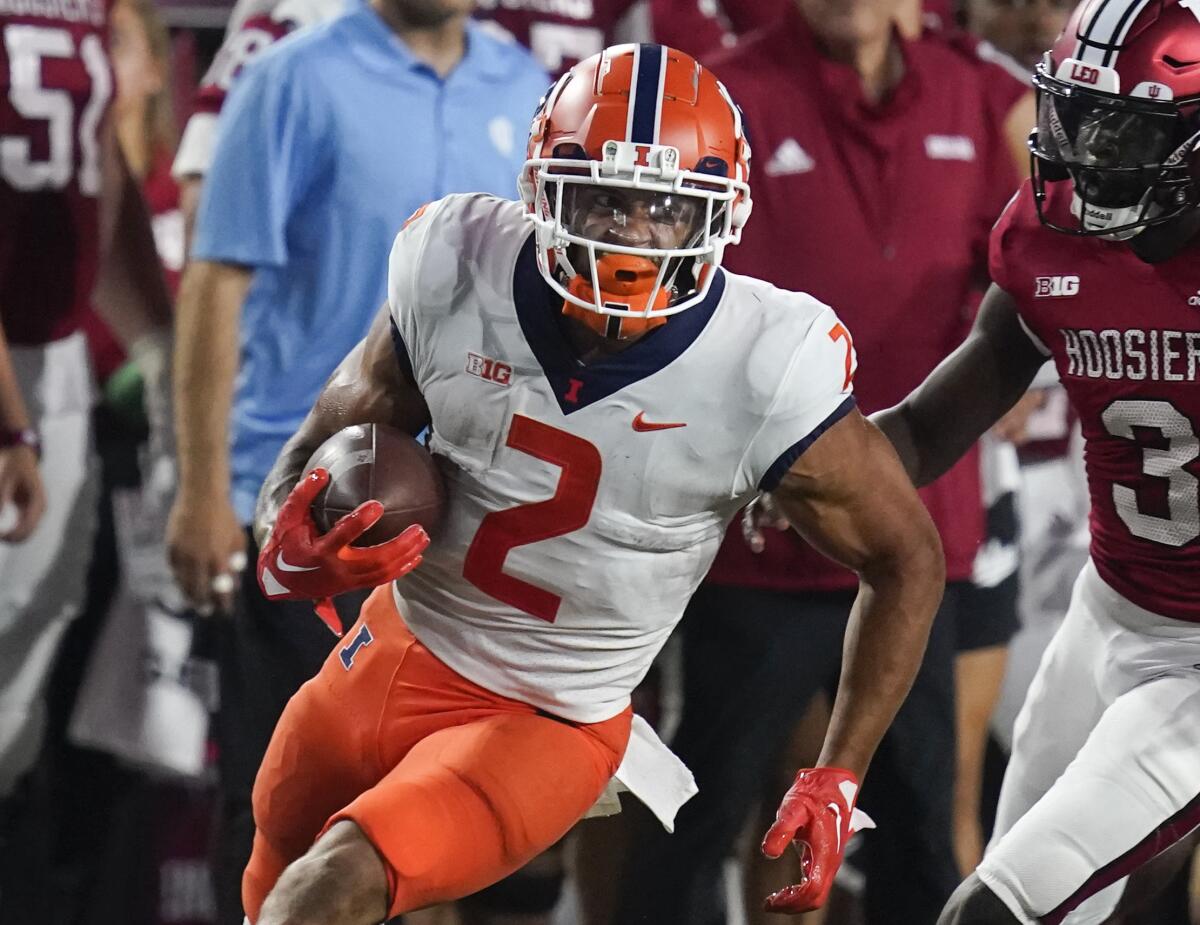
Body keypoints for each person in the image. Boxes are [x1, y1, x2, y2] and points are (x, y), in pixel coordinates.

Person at [244, 42, 945, 925]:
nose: (632, 236)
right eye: (607, 201)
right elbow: (318, 443)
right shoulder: (458, 262)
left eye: (666, 210)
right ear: (544, 191)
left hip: (551, 715)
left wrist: (838, 771)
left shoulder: (764, 365)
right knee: (270, 877)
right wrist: (291, 540)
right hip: (391, 648)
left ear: (721, 217)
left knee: (326, 889)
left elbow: (908, 557)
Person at [615, 1, 1028, 922]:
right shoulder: (727, 92)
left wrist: (1018, 367)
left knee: (922, 818)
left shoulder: (974, 94)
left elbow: (1012, 277)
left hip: (912, 533)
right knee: (697, 805)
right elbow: (674, 294)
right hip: (762, 531)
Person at [165, 4, 547, 922]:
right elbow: (217, 278)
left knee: (433, 815)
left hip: (463, 508)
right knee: (286, 804)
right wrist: (201, 487)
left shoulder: (524, 82)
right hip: (313, 491)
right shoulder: (292, 76)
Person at [871, 0, 1200, 920]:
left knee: (993, 911)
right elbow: (932, 423)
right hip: (1110, 608)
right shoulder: (1053, 237)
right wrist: (794, 470)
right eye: (1076, 116)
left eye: (1125, 132)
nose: (1088, 154)